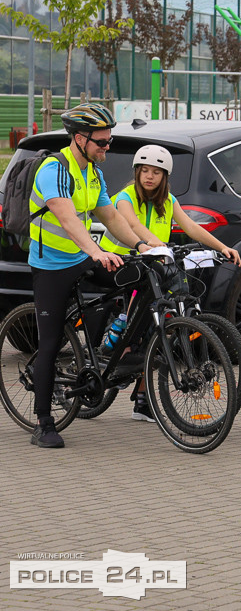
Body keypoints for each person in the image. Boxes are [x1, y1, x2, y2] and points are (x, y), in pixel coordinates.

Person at [27, 103, 150, 448]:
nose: (107, 147)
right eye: (102, 142)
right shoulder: (54, 169)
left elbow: (111, 218)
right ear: (80, 139)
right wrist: (97, 251)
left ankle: (121, 350)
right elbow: (67, 219)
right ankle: (43, 422)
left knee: (139, 276)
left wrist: (142, 246)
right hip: (50, 265)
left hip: (80, 258)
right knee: (50, 343)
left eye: (109, 140)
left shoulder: (92, 173)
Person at [98, 144, 241, 422]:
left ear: (165, 177)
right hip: (121, 264)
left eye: (156, 172)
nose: (150, 177)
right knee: (135, 325)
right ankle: (116, 341)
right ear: (137, 173)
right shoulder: (125, 197)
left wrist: (223, 247)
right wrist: (156, 244)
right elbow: (132, 226)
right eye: (145, 171)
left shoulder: (169, 201)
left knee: (162, 330)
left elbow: (191, 227)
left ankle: (142, 400)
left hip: (154, 265)